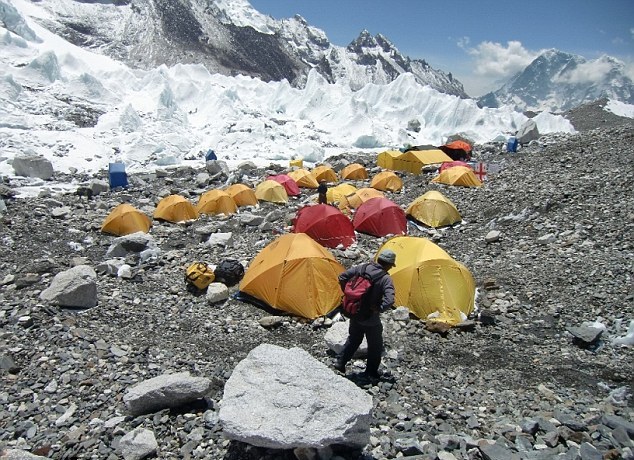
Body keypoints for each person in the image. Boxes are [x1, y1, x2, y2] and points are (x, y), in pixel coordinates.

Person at [334, 249, 396, 379]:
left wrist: (350, 295)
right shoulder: (385, 278)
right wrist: (379, 308)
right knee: (375, 346)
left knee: (354, 339)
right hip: (370, 318)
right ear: (388, 264)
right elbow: (390, 300)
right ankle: (371, 372)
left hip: (354, 311)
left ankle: (340, 362)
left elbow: (342, 277)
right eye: (391, 265)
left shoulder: (363, 268)